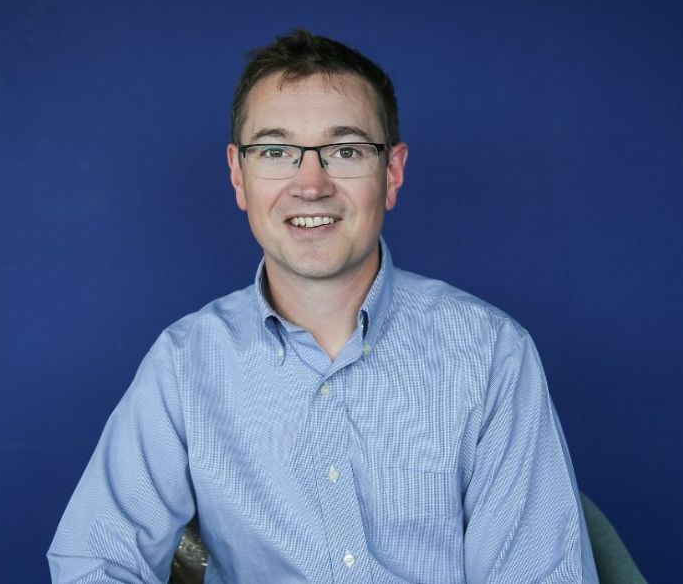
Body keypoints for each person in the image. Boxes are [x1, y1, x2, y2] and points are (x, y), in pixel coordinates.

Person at [48, 29, 598, 583]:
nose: (310, 185)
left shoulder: (491, 352)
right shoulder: (185, 362)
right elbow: (95, 561)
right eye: (276, 151)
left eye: (346, 150)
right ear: (239, 175)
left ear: (393, 172)